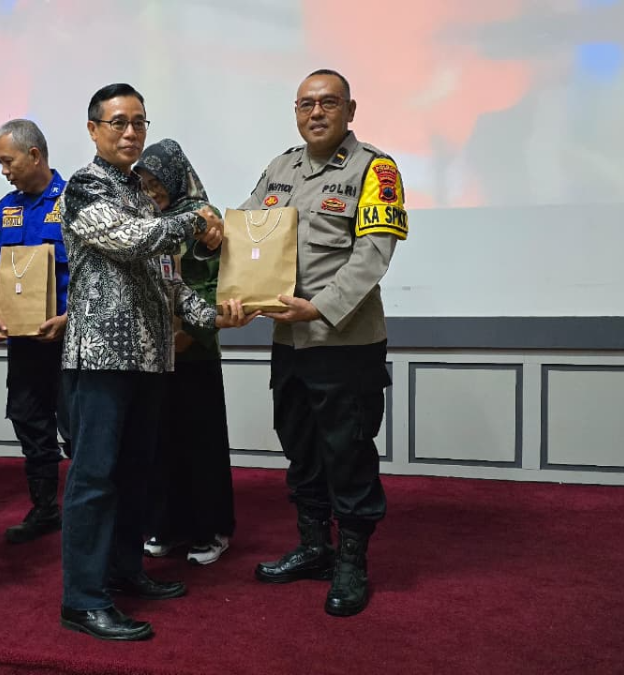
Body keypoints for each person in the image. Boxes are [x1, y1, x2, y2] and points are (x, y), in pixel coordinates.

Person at [57, 83, 255, 642]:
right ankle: (82, 599)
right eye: (118, 122)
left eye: (139, 122)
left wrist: (217, 316)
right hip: (101, 359)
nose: (131, 132)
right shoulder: (85, 187)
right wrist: (196, 219)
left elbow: (169, 283)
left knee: (135, 476)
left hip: (150, 359)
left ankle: (124, 570)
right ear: (93, 129)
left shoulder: (144, 197)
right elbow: (136, 241)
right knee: (94, 480)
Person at [244, 69, 407, 617]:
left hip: (344, 341)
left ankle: (352, 562)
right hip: (289, 339)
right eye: (306, 104)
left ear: (350, 111)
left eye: (329, 103)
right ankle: (315, 547)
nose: (316, 112)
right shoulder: (279, 168)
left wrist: (319, 308)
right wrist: (216, 243)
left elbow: (372, 255)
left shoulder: (375, 169)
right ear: (296, 112)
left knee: (348, 450)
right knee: (301, 445)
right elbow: (248, 234)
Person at [134, 139, 235, 565]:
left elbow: (215, 285)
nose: (151, 190)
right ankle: (165, 525)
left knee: (200, 444)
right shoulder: (145, 222)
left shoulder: (204, 220)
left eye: (158, 182)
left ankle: (209, 531)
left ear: (175, 177)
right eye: (145, 183)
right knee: (160, 444)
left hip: (195, 352)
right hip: (154, 354)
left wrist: (188, 335)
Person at [0, 119, 70, 545]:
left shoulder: (73, 200)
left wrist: (71, 317)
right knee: (28, 420)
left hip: (69, 338)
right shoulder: (7, 207)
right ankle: (45, 509)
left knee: (76, 425)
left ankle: (88, 511)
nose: (4, 170)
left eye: (8, 161)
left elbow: (90, 268)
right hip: (23, 339)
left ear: (34, 155)